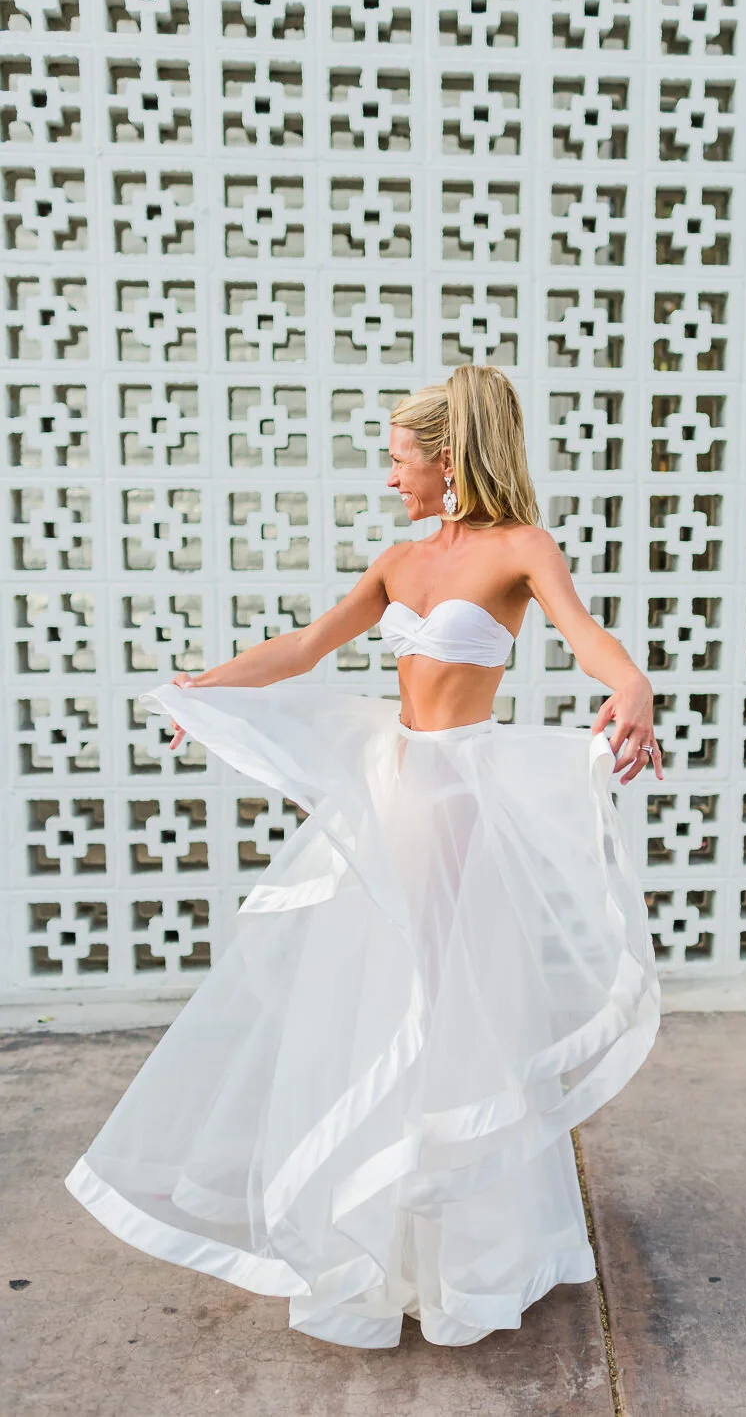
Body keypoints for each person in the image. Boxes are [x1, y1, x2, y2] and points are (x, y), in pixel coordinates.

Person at [65, 363, 663, 1349]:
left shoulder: (519, 548)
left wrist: (631, 685)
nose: (391, 478)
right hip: (391, 787)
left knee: (444, 1006)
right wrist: (205, 687)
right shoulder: (397, 562)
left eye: (399, 460)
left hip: (458, 796)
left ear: (449, 458)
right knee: (372, 1003)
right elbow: (306, 646)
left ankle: (460, 1251)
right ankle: (380, 1241)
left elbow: (585, 637)